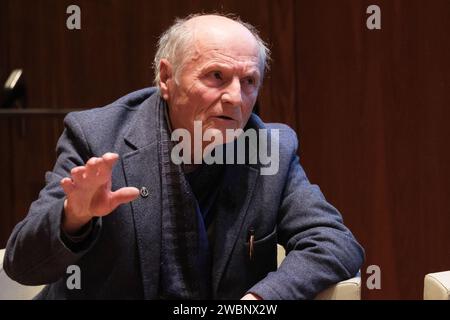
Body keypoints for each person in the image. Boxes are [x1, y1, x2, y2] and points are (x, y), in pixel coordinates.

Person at [4, 13, 364, 300]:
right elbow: (22, 266)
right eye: (216, 76)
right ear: (166, 77)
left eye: (249, 81)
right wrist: (74, 217)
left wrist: (259, 298)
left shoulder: (271, 148)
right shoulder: (98, 136)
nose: (235, 98)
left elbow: (335, 243)